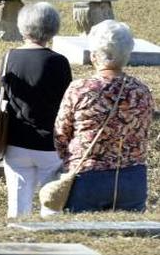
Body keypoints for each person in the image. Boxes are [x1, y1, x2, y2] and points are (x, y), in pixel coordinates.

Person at [55, 20, 154, 212]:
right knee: (129, 239)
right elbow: (145, 128)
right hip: (132, 177)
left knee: (83, 234)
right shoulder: (142, 91)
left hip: (87, 175)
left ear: (93, 56)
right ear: (127, 56)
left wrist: (68, 160)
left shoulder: (80, 89)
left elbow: (61, 134)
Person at [1, 2, 73, 218]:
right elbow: (66, 103)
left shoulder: (9, 57)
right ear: (53, 28)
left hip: (15, 140)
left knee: (16, 204)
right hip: (49, 143)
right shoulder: (59, 62)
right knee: (51, 203)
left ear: (23, 27)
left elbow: (5, 96)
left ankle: (16, 243)